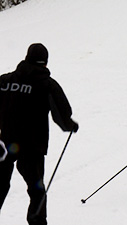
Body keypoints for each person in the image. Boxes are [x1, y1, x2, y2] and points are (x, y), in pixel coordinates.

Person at [0, 43, 79, 225]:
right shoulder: (47, 85)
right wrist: (70, 126)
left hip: (4, 146)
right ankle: (36, 222)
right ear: (45, 62)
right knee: (36, 190)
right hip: (32, 148)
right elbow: (62, 114)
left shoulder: (5, 81)